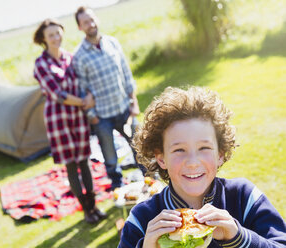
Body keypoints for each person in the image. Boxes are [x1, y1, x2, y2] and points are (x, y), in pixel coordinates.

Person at [118, 86, 286, 247]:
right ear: (161, 158)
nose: (192, 162)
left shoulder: (244, 197)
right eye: (179, 150)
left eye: (204, 148)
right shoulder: (141, 219)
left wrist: (238, 237)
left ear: (220, 154)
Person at [33, 19, 106, 224]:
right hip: (59, 120)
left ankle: (94, 206)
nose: (56, 38)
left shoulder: (71, 58)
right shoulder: (41, 64)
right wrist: (84, 101)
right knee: (71, 166)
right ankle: (86, 210)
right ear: (44, 40)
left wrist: (89, 96)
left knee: (85, 162)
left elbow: (84, 82)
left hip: (78, 118)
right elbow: (58, 94)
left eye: (58, 33)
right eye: (51, 35)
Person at [72, 6, 143, 189]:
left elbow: (126, 74)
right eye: (85, 22)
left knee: (139, 146)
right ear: (80, 27)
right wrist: (92, 116)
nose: (91, 24)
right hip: (101, 116)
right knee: (110, 156)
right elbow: (82, 90)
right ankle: (118, 186)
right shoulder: (79, 56)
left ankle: (150, 180)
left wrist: (134, 102)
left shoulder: (112, 43)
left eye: (92, 19)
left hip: (124, 109)